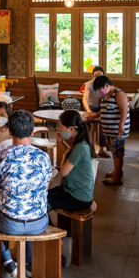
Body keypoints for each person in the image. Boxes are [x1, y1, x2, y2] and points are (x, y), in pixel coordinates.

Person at [0, 110, 51, 278]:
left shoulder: (0, 156)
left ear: (9, 131)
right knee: (29, 210)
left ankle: (6, 259)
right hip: (40, 223)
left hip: (9, 223)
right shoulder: (44, 157)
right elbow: (45, 187)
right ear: (32, 132)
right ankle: (28, 263)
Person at [48, 110, 95, 267]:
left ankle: (58, 243)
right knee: (43, 196)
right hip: (74, 192)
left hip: (78, 198)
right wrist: (63, 145)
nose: (59, 130)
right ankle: (55, 239)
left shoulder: (79, 148)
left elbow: (64, 171)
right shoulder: (80, 143)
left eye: (61, 127)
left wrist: (64, 153)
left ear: (71, 129)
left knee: (42, 204)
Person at [93, 75, 130, 186]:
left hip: (116, 131)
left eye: (100, 89)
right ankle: (118, 171)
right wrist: (94, 116)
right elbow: (104, 108)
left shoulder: (119, 94)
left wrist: (121, 126)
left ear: (107, 85)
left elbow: (124, 110)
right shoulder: (107, 94)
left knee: (118, 153)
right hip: (109, 130)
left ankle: (116, 177)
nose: (100, 92)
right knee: (115, 152)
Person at [82, 66, 110, 158]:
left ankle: (101, 150)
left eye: (100, 75)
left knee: (102, 127)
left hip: (101, 107)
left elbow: (107, 99)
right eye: (95, 76)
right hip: (91, 108)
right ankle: (92, 150)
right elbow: (84, 100)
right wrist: (89, 112)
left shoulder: (106, 85)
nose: (97, 78)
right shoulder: (89, 84)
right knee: (92, 127)